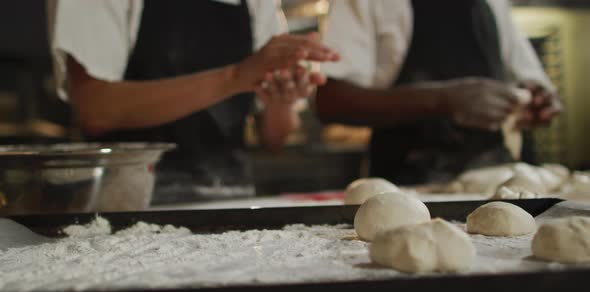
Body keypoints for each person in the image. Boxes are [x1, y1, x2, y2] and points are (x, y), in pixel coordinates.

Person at [49, 0, 339, 204]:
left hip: (229, 206)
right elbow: (96, 109)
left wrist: (282, 101)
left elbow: (274, 137)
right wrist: (236, 76)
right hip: (127, 205)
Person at [316, 0, 562, 186]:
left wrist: (539, 101)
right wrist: (443, 100)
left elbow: (528, 80)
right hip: (406, 190)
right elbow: (332, 100)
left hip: (499, 184)